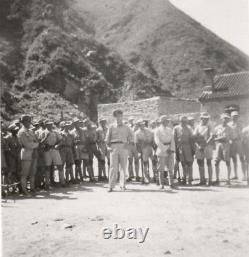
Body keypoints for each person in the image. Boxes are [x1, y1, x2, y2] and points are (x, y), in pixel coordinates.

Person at [105, 109, 133, 192]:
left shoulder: (127, 127)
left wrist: (128, 145)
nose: (119, 117)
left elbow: (131, 137)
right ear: (115, 117)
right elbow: (107, 139)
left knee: (123, 167)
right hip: (114, 147)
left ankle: (122, 185)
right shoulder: (111, 127)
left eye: (120, 116)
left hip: (123, 147)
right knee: (113, 167)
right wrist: (108, 147)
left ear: (122, 116)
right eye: (117, 116)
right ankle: (111, 186)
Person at [17, 115, 39, 195]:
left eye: (30, 121)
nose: (29, 123)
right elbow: (26, 144)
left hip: (33, 153)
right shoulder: (21, 132)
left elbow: (36, 141)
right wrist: (35, 144)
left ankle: (32, 188)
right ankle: (24, 190)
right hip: (26, 153)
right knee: (24, 173)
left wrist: (35, 144)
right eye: (28, 121)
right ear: (23, 122)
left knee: (32, 173)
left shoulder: (30, 131)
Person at [41, 120, 65, 189]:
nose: (50, 125)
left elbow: (61, 140)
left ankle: (62, 182)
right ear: (45, 125)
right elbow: (40, 142)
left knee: (60, 166)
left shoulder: (55, 132)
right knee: (47, 167)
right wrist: (45, 145)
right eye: (48, 124)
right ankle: (47, 184)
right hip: (47, 150)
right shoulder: (43, 132)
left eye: (51, 124)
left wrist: (58, 145)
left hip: (55, 150)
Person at [154, 116, 175, 189]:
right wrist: (166, 149)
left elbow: (172, 140)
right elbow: (157, 142)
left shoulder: (170, 129)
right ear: (162, 121)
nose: (167, 122)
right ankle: (161, 184)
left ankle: (171, 183)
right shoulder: (158, 130)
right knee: (161, 168)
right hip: (162, 150)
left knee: (170, 167)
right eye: (166, 121)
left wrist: (172, 149)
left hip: (170, 150)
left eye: (168, 121)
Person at [193, 113, 214, 186]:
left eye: (206, 118)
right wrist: (198, 146)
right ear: (201, 118)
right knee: (200, 162)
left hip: (207, 146)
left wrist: (204, 145)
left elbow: (212, 136)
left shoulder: (210, 125)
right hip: (199, 146)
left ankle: (210, 180)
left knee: (208, 162)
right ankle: (202, 180)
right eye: (203, 118)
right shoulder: (198, 126)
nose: (205, 119)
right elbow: (194, 137)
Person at [174, 116, 195, 185]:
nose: (184, 123)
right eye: (182, 121)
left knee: (189, 163)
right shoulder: (176, 128)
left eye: (185, 122)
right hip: (180, 147)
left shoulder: (189, 128)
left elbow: (192, 139)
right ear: (180, 121)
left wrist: (193, 149)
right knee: (183, 164)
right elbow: (174, 139)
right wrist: (176, 149)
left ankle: (190, 179)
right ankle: (184, 178)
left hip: (188, 147)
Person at [213, 113, 233, 185]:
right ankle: (217, 179)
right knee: (216, 162)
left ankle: (228, 179)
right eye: (224, 119)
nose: (225, 120)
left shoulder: (230, 128)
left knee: (227, 161)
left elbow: (226, 138)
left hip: (226, 146)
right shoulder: (217, 128)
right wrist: (216, 139)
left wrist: (217, 139)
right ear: (221, 119)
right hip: (218, 146)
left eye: (227, 119)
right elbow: (213, 136)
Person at [135, 120, 154, 184]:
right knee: (145, 163)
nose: (142, 126)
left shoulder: (149, 130)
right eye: (140, 125)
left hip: (150, 147)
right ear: (139, 125)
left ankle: (155, 176)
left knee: (154, 162)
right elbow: (136, 143)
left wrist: (149, 142)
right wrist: (139, 150)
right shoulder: (137, 133)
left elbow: (152, 138)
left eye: (143, 124)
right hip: (143, 149)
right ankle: (146, 177)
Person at [229, 111, 245, 180]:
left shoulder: (241, 124)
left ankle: (244, 175)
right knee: (234, 159)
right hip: (232, 142)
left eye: (236, 116)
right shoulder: (229, 124)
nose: (235, 118)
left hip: (239, 142)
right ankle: (235, 175)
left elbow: (243, 133)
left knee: (242, 159)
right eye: (233, 116)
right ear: (231, 117)